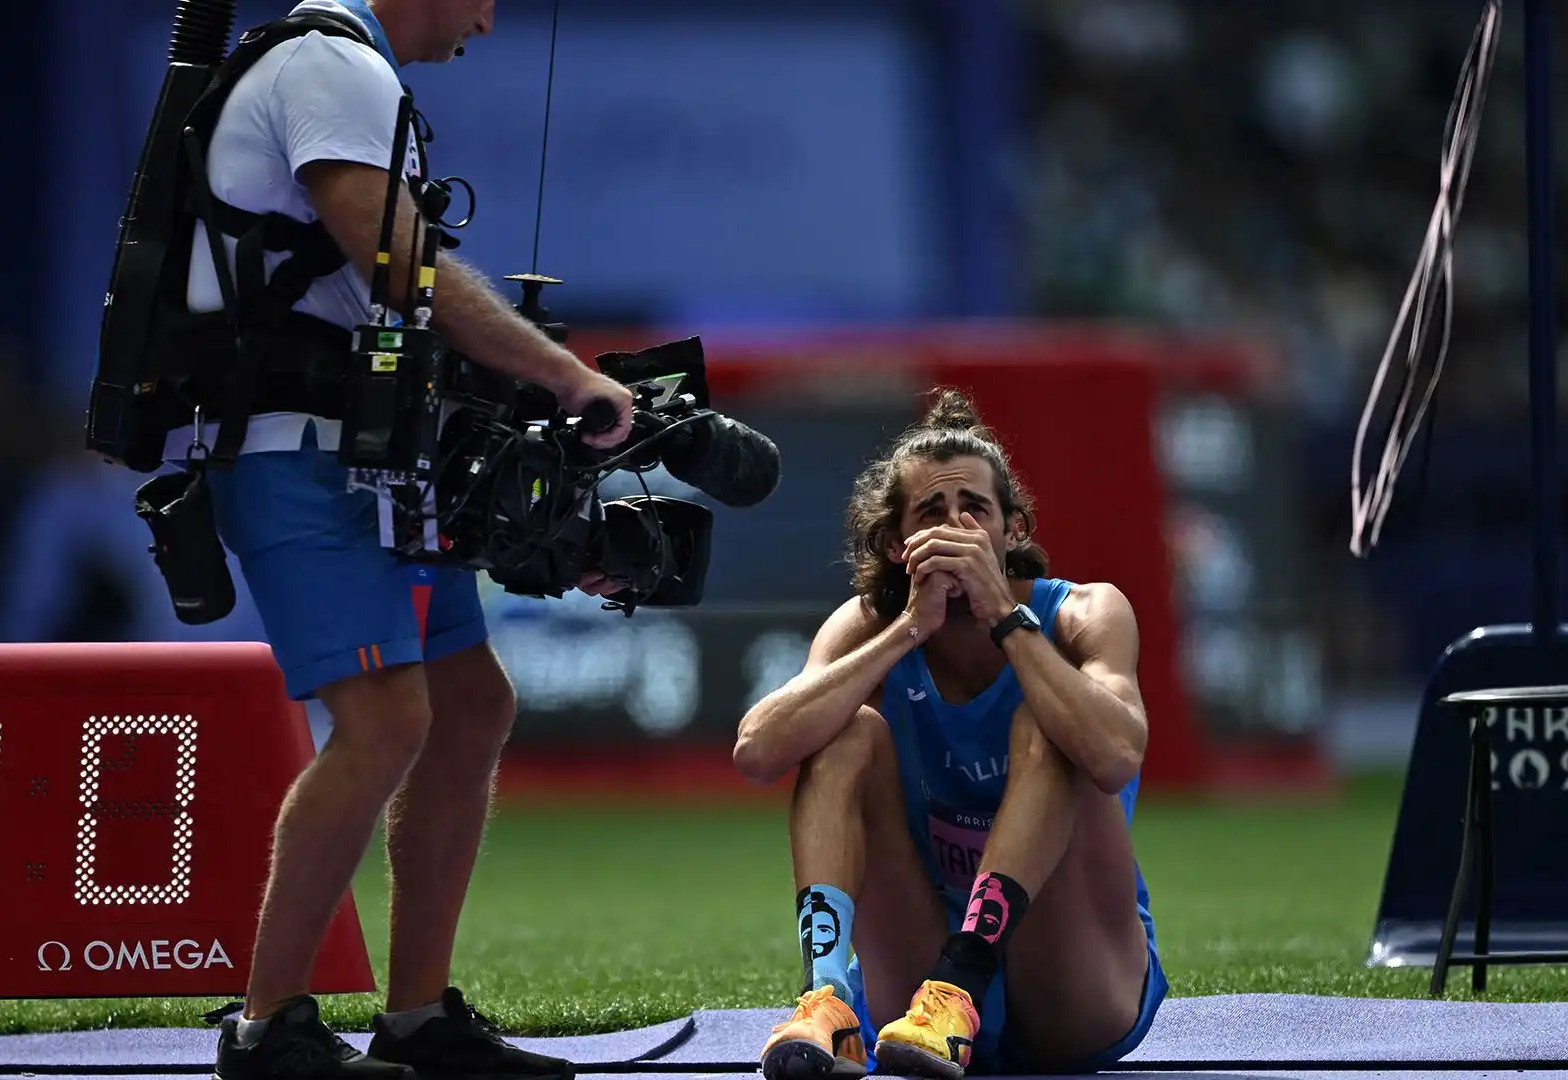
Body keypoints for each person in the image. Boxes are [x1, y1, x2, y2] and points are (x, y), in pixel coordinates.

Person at [172, 2, 634, 1078]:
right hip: (298, 455)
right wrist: (564, 373)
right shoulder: (332, 69)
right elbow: (402, 272)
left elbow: (385, 295)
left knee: (472, 705)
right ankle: (267, 1026)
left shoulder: (356, 77)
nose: (487, 19)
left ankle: (418, 1020)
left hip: (370, 455)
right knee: (385, 723)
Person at [733, 389, 1168, 1079]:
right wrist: (907, 629)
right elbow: (759, 749)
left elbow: (1116, 756)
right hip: (918, 1003)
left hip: (1075, 981)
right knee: (846, 736)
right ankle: (825, 1001)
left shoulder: (1088, 611)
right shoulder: (871, 625)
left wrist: (1002, 613)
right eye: (932, 513)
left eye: (975, 509)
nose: (956, 527)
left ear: (1012, 532)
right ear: (899, 546)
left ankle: (964, 980)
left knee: (1051, 718)